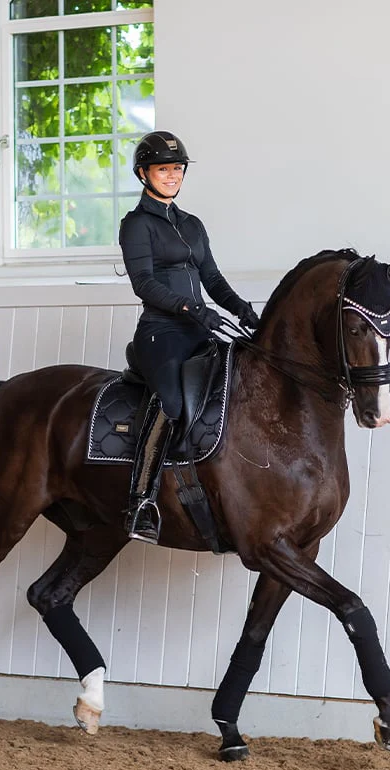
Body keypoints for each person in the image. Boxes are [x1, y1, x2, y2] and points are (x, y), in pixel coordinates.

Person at [119, 131, 259, 545]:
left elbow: (212, 278)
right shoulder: (136, 225)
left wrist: (242, 309)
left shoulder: (192, 225)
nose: (172, 176)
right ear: (143, 174)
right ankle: (141, 501)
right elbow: (144, 283)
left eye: (177, 169)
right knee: (173, 402)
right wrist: (190, 308)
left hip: (200, 330)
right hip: (161, 333)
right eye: (163, 169)